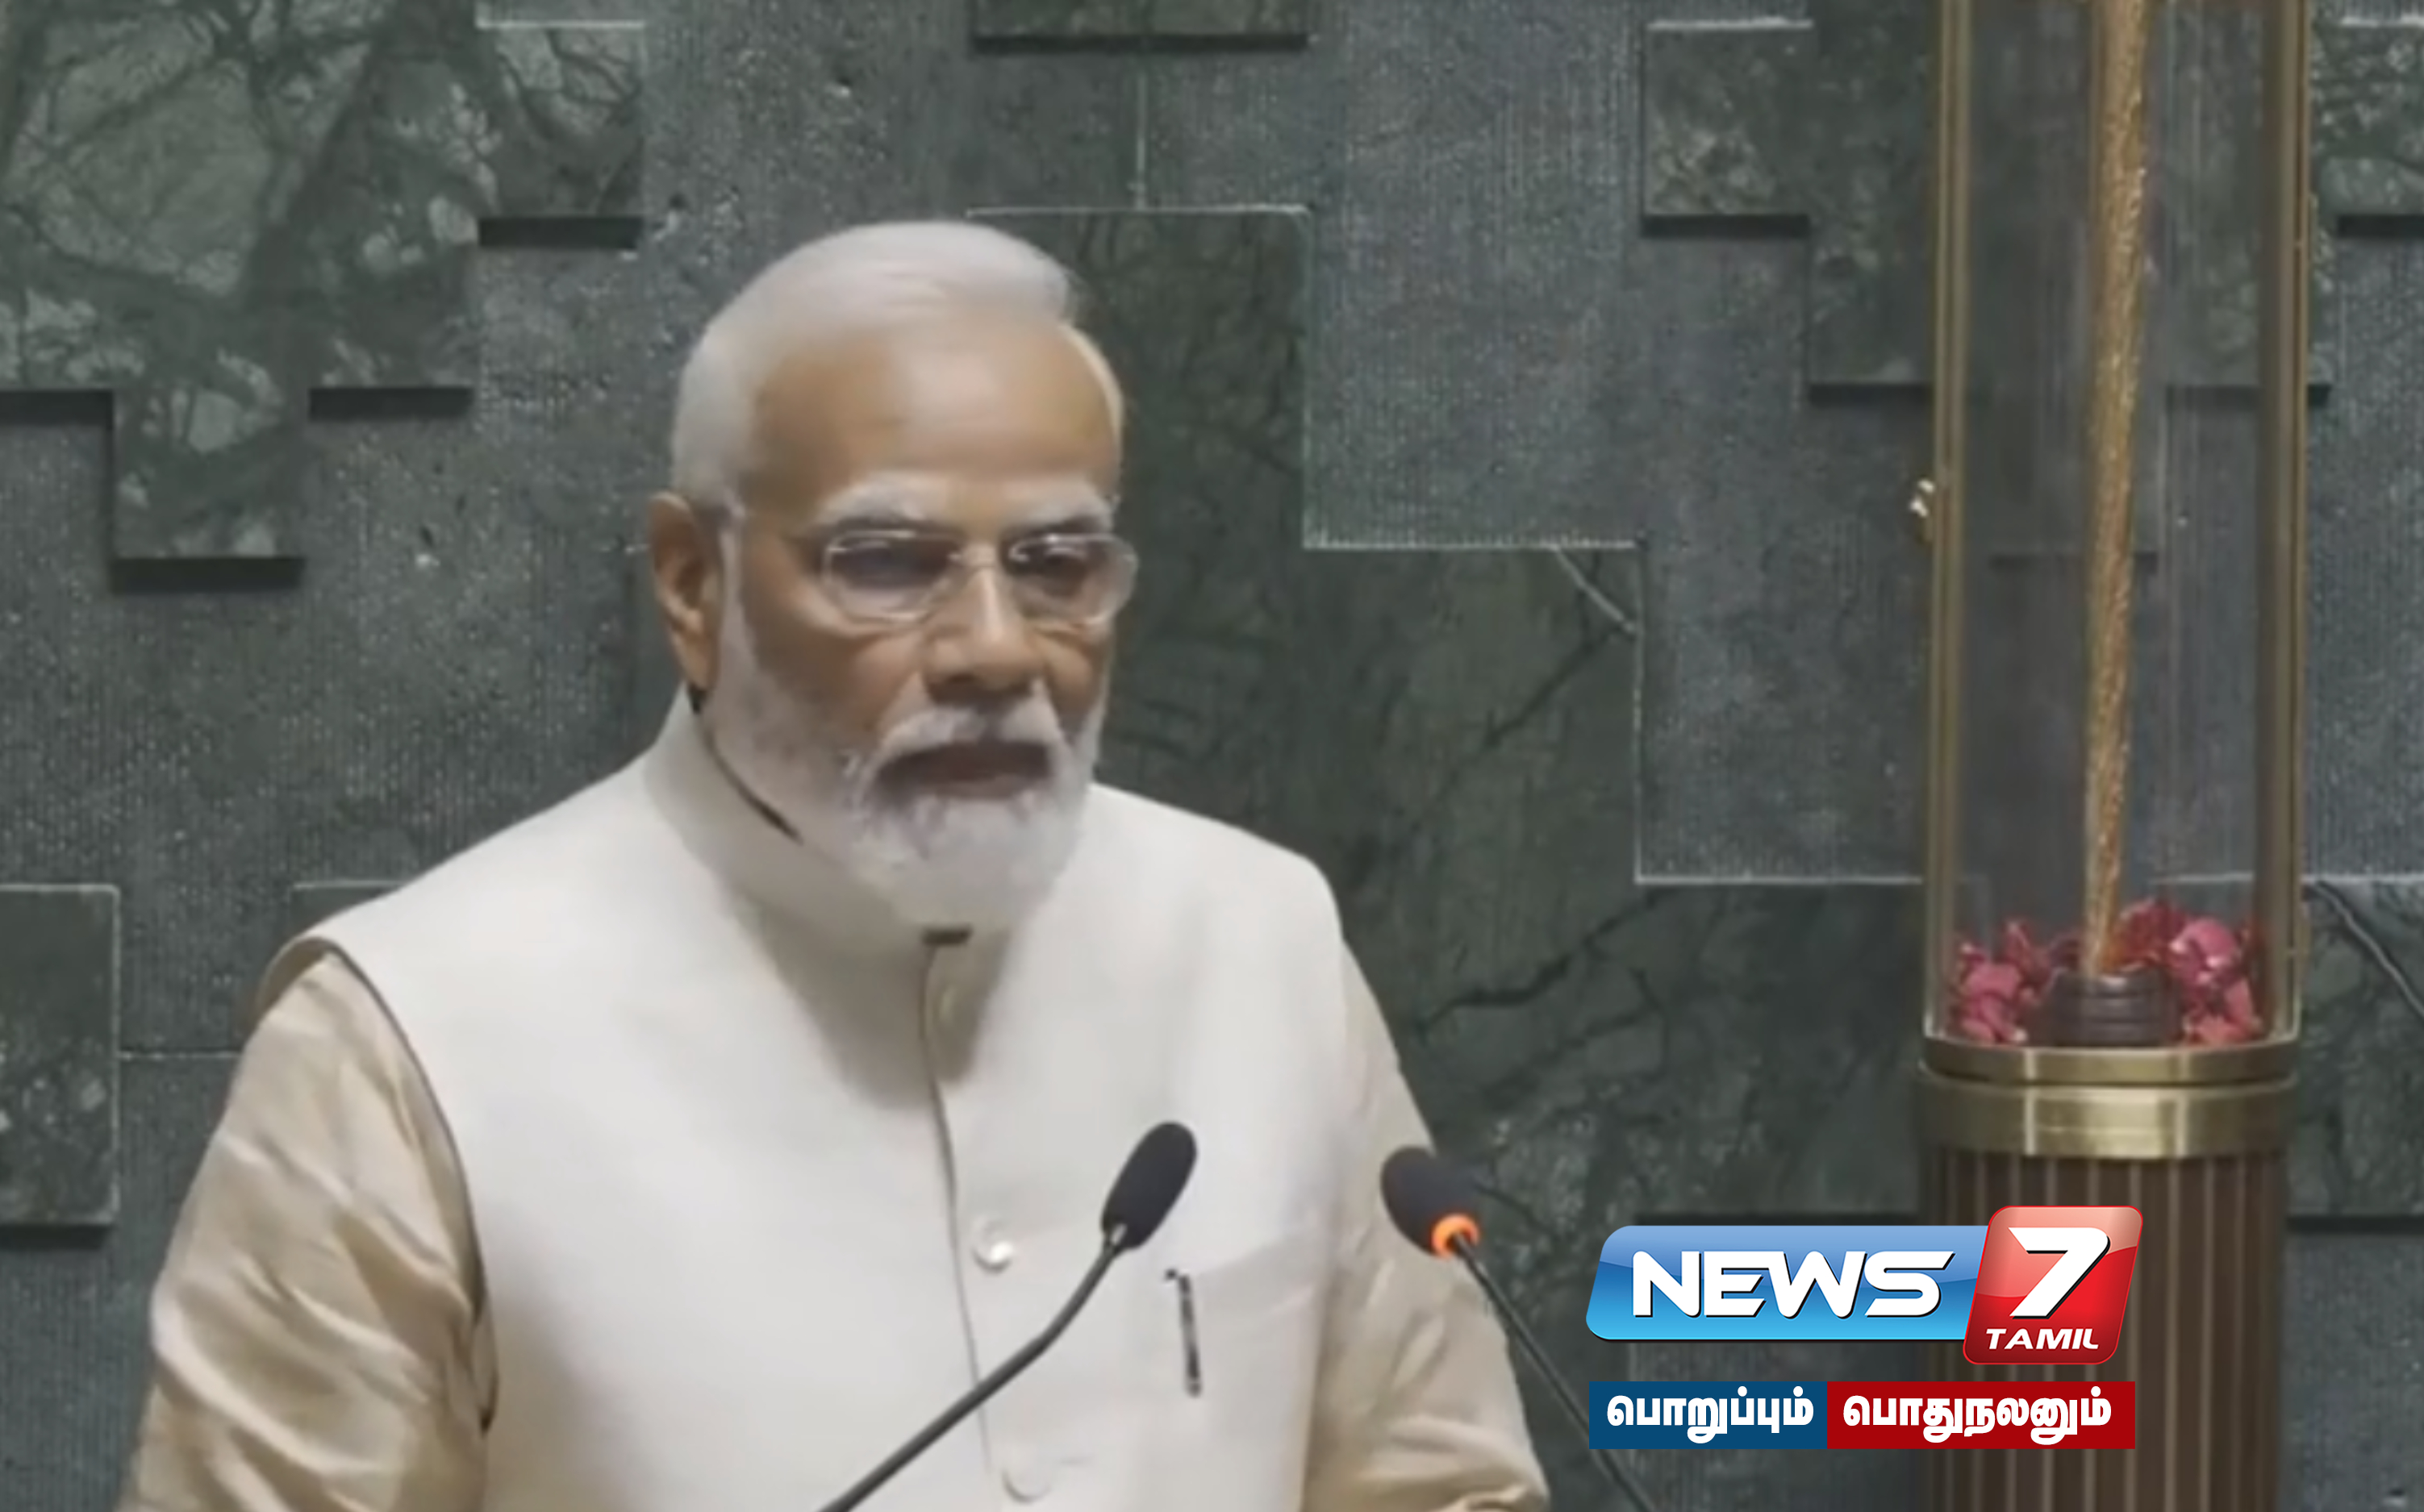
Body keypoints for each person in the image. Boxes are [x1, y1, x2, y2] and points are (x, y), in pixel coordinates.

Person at [118, 220, 1548, 1512]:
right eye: (887, 562)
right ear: (693, 584)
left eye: (1056, 563)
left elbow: (1442, 1489)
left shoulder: (1261, 942)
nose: (993, 648)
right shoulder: (405, 1039)